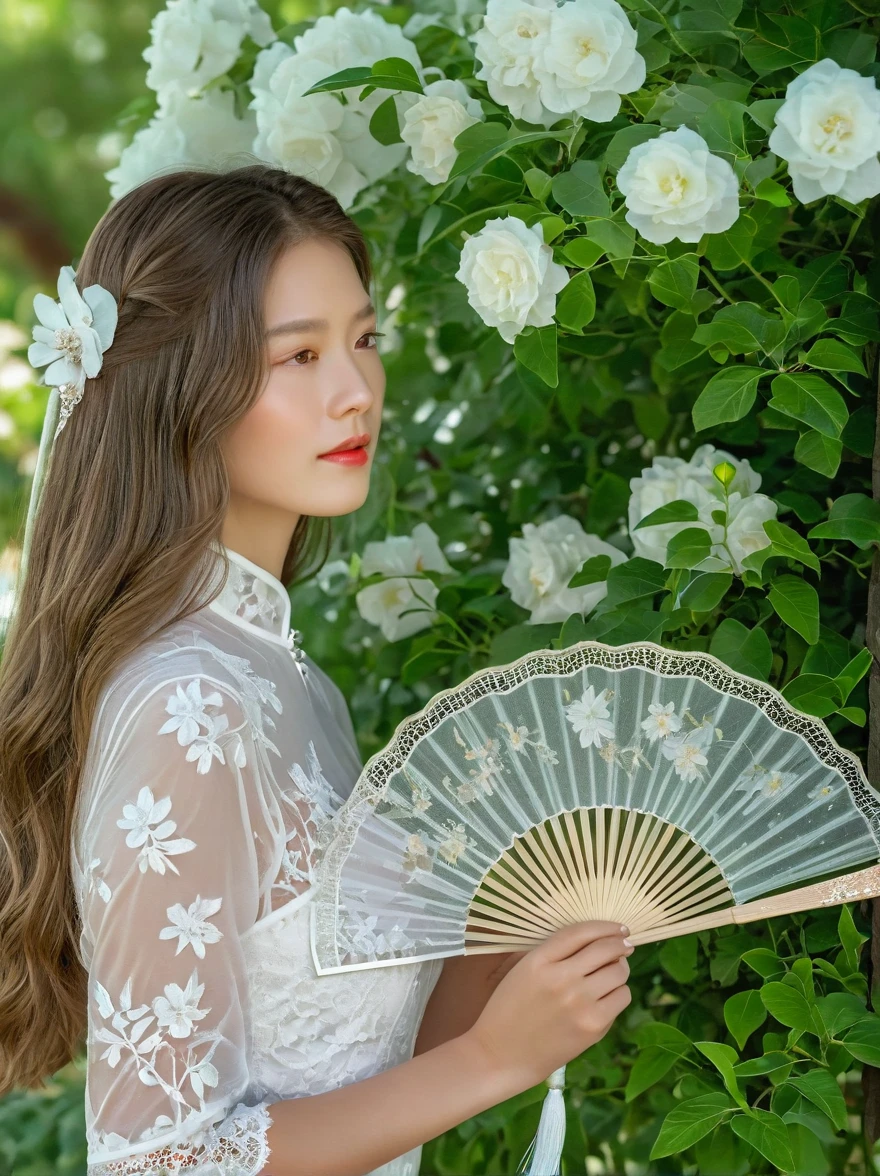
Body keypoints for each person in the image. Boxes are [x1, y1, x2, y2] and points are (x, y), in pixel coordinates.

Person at [0, 163, 633, 1176]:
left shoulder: (286, 680)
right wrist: (489, 1061)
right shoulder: (187, 705)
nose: (356, 391)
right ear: (180, 387)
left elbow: (353, 1072)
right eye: (297, 355)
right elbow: (152, 1163)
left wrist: (514, 943)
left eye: (364, 340)